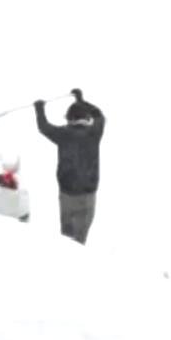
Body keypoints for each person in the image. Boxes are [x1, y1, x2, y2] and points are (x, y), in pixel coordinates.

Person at [34, 88, 105, 244]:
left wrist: (39, 108)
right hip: (89, 194)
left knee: (67, 239)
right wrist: (81, 101)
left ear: (70, 119)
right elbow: (99, 115)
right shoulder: (95, 133)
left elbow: (43, 127)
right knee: (80, 239)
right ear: (87, 118)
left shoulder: (63, 134)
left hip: (67, 194)